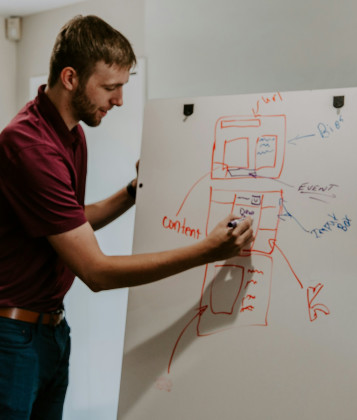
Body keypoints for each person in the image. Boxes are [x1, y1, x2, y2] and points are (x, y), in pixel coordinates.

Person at [0, 15, 254, 419]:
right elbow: (96, 272)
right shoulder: (29, 146)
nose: (118, 100)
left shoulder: (70, 134)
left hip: (49, 332)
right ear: (70, 78)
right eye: (110, 87)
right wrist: (207, 251)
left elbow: (68, 220)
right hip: (12, 338)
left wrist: (133, 193)